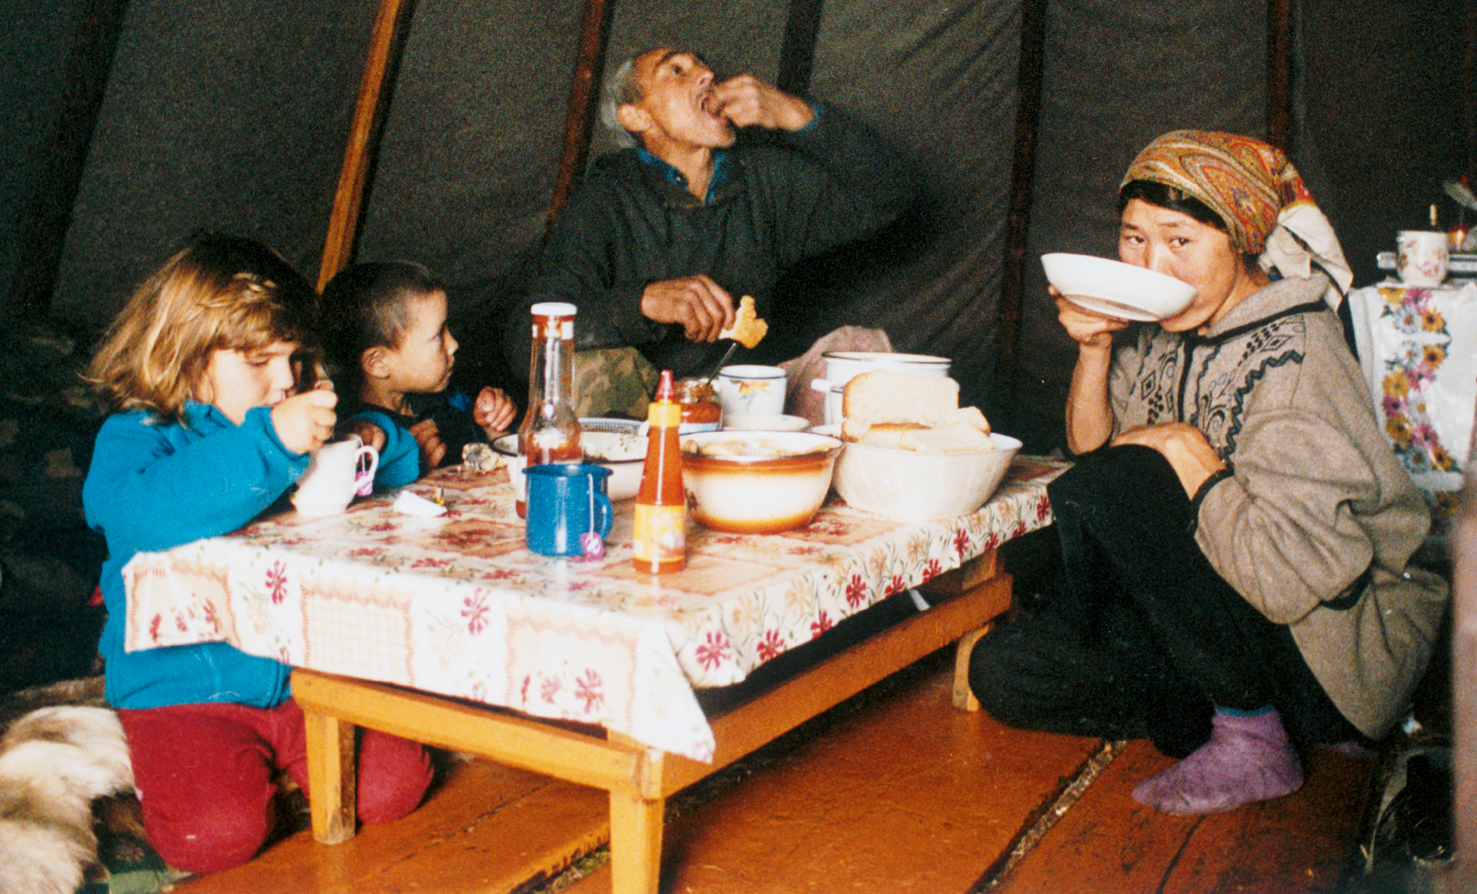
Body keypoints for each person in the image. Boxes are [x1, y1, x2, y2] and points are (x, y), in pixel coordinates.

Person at [968, 131, 1447, 816]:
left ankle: (1254, 735)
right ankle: (1234, 710)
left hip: (1331, 655)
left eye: (1180, 240)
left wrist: (1187, 453)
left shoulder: (1298, 355)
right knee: (1005, 670)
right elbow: (1091, 446)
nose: (1153, 263)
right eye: (1134, 239)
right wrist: (1096, 349)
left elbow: (1289, 575)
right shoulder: (1167, 329)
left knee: (1120, 481)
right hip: (1226, 628)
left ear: (1242, 239)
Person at [82, 234, 433, 874]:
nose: (284, 380)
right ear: (187, 362)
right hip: (185, 685)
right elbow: (148, 510)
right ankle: (175, 784)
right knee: (219, 836)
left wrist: (374, 434)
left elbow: (391, 465)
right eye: (258, 362)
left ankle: (279, 772)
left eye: (294, 358)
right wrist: (270, 444)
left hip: (306, 671)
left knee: (393, 789)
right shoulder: (138, 437)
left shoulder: (291, 421)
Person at [507, 47, 915, 382]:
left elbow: (887, 195)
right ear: (638, 116)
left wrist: (794, 114)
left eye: (703, 65)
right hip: (643, 420)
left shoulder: (762, 180)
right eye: (677, 70)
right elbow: (525, 341)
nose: (706, 74)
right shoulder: (605, 202)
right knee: (592, 374)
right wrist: (643, 303)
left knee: (863, 351)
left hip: (752, 407)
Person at [320, 260, 517, 486]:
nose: (453, 344)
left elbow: (491, 470)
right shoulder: (357, 436)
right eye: (438, 336)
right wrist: (404, 467)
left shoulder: (449, 401)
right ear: (378, 363)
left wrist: (494, 430)